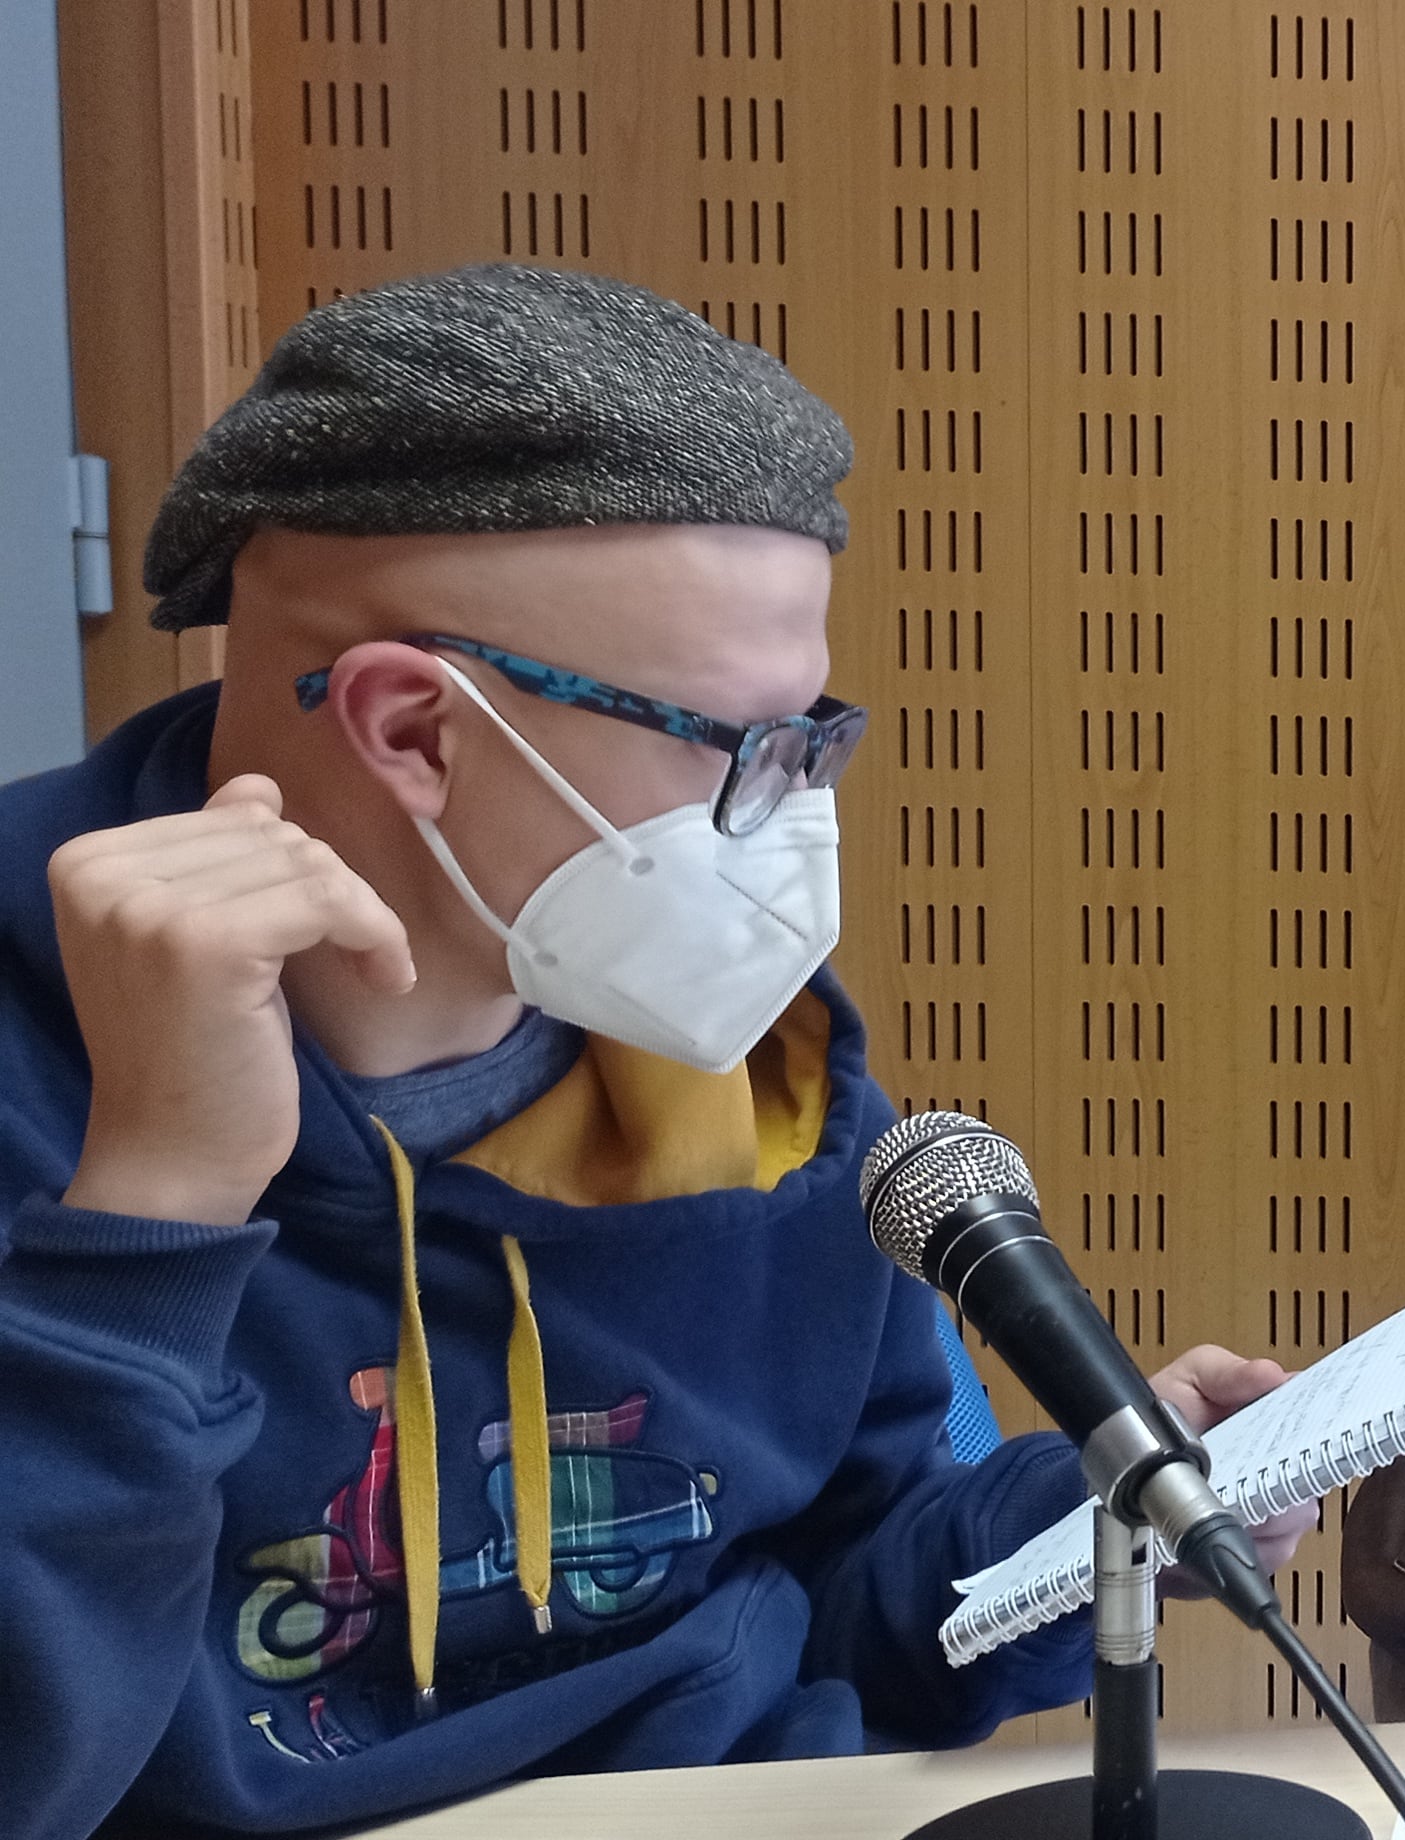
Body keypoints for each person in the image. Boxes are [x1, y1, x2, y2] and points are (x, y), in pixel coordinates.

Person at [0, 264, 1311, 1838]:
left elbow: (843, 1600)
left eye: (815, 736)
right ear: (414, 729)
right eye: (744, 748)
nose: (796, 829)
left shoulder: (741, 1069)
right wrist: (153, 1216)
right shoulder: (48, 1080)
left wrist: (1097, 1517)